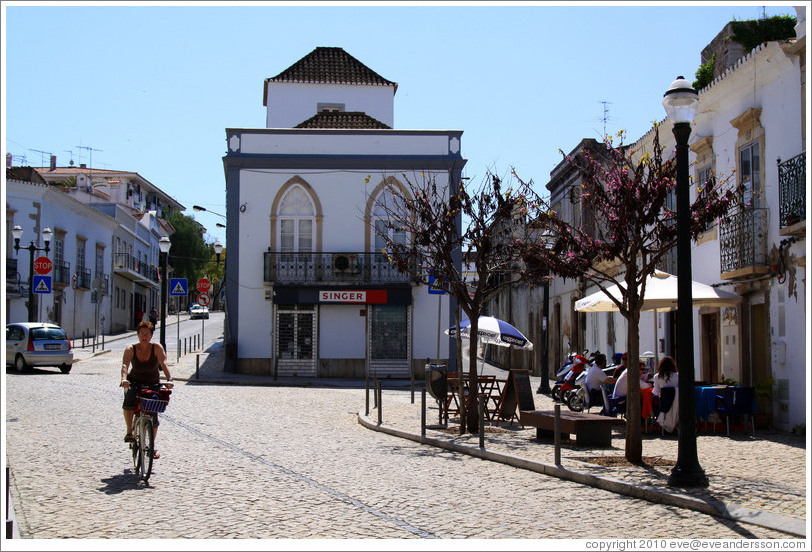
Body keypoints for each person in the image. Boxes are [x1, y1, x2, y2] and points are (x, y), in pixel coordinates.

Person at [121, 321, 173, 459]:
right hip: (135, 382)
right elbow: (125, 366)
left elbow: (164, 363)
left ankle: (152, 446)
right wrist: (124, 379)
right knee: (128, 403)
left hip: (152, 383)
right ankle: (129, 432)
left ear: (151, 335)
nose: (144, 336)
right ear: (137, 335)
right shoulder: (130, 349)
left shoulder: (156, 348)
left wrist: (169, 379)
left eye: (147, 334)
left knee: (153, 415)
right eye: (141, 334)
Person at [653, 356, 679, 432]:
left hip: (663, 403)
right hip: (677, 402)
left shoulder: (657, 376)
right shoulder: (677, 376)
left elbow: (656, 392)